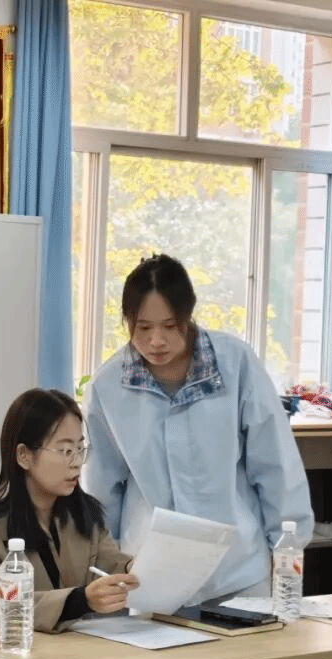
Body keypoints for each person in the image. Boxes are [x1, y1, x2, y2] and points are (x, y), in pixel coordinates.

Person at [82, 253, 313, 603]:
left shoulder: (236, 365)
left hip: (238, 568)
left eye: (169, 325)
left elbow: (276, 465)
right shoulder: (108, 386)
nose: (156, 340)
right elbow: (101, 488)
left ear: (188, 315)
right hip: (148, 571)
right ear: (127, 321)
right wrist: (108, 562)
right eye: (143, 327)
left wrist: (285, 549)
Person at [0, 388, 138, 632]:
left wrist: (136, 571)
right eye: (65, 451)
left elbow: (113, 566)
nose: (76, 463)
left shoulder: (85, 516)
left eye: (80, 449)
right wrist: (80, 600)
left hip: (73, 651)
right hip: (4, 651)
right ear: (24, 456)